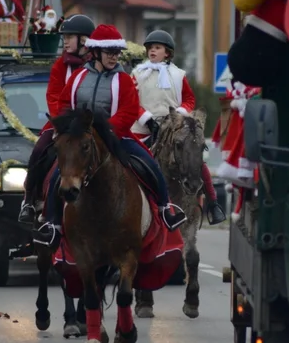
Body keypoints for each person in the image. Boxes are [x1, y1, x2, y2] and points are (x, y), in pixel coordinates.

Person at [36, 24, 186, 248]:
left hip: (116, 138)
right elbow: (65, 103)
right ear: (96, 52)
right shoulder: (78, 77)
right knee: (58, 174)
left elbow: (128, 110)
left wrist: (105, 131)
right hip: (80, 138)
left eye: (117, 53)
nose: (114, 57)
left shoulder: (124, 80)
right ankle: (52, 225)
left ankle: (165, 209)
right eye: (109, 53)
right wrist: (71, 127)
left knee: (149, 165)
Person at [131, 29, 226, 224]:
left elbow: (189, 99)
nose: (152, 51)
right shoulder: (137, 73)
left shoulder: (178, 74)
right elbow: (132, 100)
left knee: (194, 158)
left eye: (157, 48)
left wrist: (180, 113)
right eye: (150, 48)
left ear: (167, 52)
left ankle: (213, 203)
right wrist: (147, 119)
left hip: (172, 125)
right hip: (143, 126)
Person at [18, 14, 95, 225]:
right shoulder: (60, 66)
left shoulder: (97, 66)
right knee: (39, 151)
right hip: (62, 123)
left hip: (90, 125)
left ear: (85, 41)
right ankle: (29, 201)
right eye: (65, 37)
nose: (65, 41)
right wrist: (64, 122)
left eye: (70, 36)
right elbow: (53, 96)